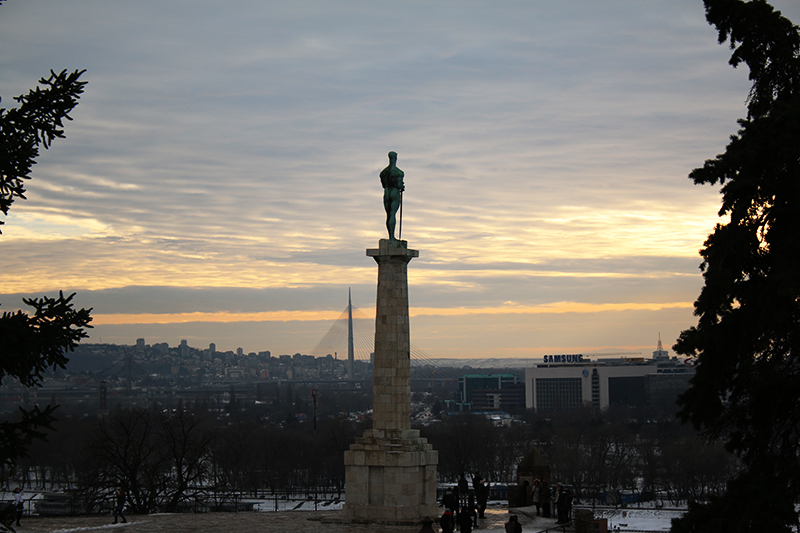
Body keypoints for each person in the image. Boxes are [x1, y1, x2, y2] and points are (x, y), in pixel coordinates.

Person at [379, 151, 404, 241]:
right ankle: (392, 237)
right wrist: (402, 187)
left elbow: (383, 185)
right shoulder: (399, 172)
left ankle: (391, 236)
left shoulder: (383, 173)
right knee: (393, 213)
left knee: (388, 214)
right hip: (394, 192)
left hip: (386, 192)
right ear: (395, 158)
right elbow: (399, 185)